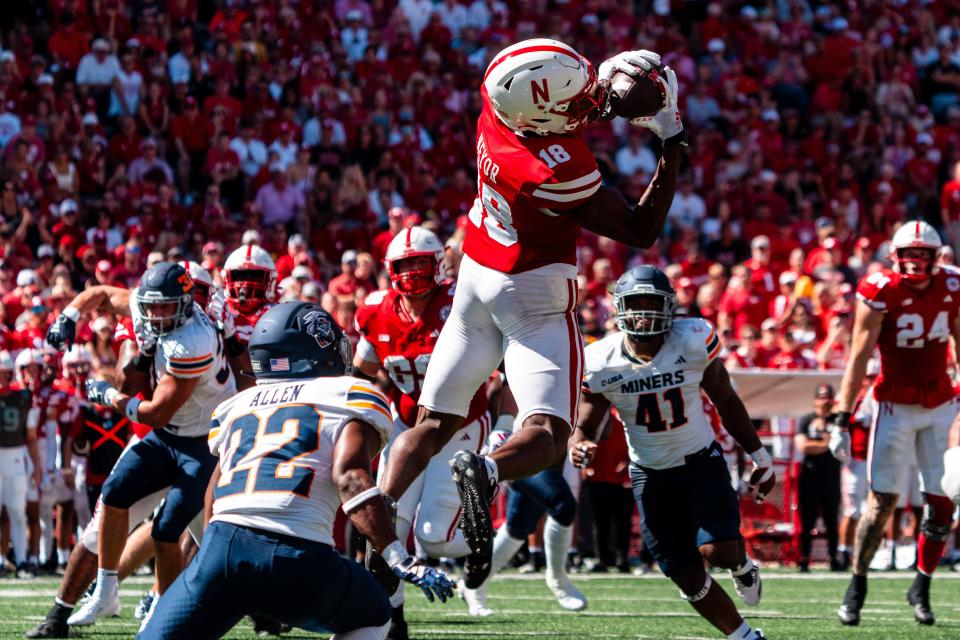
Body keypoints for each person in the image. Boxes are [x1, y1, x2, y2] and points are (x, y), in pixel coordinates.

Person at [376, 40, 685, 588]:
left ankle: (374, 524)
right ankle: (489, 469)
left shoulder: (497, 107)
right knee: (547, 432)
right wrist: (670, 137)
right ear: (542, 115)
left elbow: (556, 112)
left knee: (431, 423)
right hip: (533, 293)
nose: (586, 97)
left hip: (476, 277)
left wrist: (604, 97)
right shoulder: (560, 171)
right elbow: (641, 228)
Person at [137, 301, 455, 640]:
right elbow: (350, 479)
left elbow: (212, 494)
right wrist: (398, 557)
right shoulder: (347, 394)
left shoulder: (235, 406)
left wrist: (225, 566)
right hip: (297, 556)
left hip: (221, 550)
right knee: (375, 612)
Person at [570, 266, 772, 640]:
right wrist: (579, 441)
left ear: (669, 307)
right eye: (636, 305)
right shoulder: (601, 360)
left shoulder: (693, 340)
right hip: (649, 472)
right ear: (619, 308)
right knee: (683, 572)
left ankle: (742, 564)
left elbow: (725, 400)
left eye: (652, 304)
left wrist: (759, 454)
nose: (644, 314)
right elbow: (587, 418)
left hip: (700, 461)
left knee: (718, 551)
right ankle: (743, 636)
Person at [43, 262, 236, 632]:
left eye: (164, 307)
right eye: (151, 307)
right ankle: (105, 588)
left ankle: (170, 609)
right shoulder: (148, 309)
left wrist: (109, 395)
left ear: (184, 303)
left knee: (170, 532)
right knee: (114, 493)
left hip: (204, 442)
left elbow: (158, 412)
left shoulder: (192, 340)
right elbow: (100, 294)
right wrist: (69, 316)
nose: (155, 314)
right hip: (168, 438)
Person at [352, 227, 490, 640]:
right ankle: (393, 620)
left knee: (434, 539)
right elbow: (363, 371)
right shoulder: (375, 310)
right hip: (406, 422)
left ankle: (479, 536)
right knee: (383, 522)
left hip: (459, 425)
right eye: (405, 265)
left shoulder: (460, 303)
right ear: (390, 270)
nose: (412, 274)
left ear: (440, 263)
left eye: (420, 263)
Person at [830, 221, 959, 626]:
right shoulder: (879, 289)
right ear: (896, 257)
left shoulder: (953, 286)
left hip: (940, 401)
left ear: (936, 258)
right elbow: (858, 354)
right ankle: (857, 585)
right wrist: (841, 416)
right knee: (881, 502)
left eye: (924, 256)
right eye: (911, 255)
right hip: (894, 404)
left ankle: (921, 585)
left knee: (942, 504)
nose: (917, 264)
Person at [794, 384, 842, 572]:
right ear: (815, 400)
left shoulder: (838, 420)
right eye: (821, 397)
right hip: (810, 476)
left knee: (832, 521)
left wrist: (821, 444)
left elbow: (840, 447)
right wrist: (826, 443)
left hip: (831, 476)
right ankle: (804, 558)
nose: (824, 401)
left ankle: (833, 558)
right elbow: (803, 446)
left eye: (828, 397)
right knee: (808, 520)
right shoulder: (806, 420)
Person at [0, 355, 40, 577]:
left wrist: (36, 466)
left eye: (5, 373)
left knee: (17, 511)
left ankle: (23, 561)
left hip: (16, 456)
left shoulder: (23, 397)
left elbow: (32, 437)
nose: (2, 378)